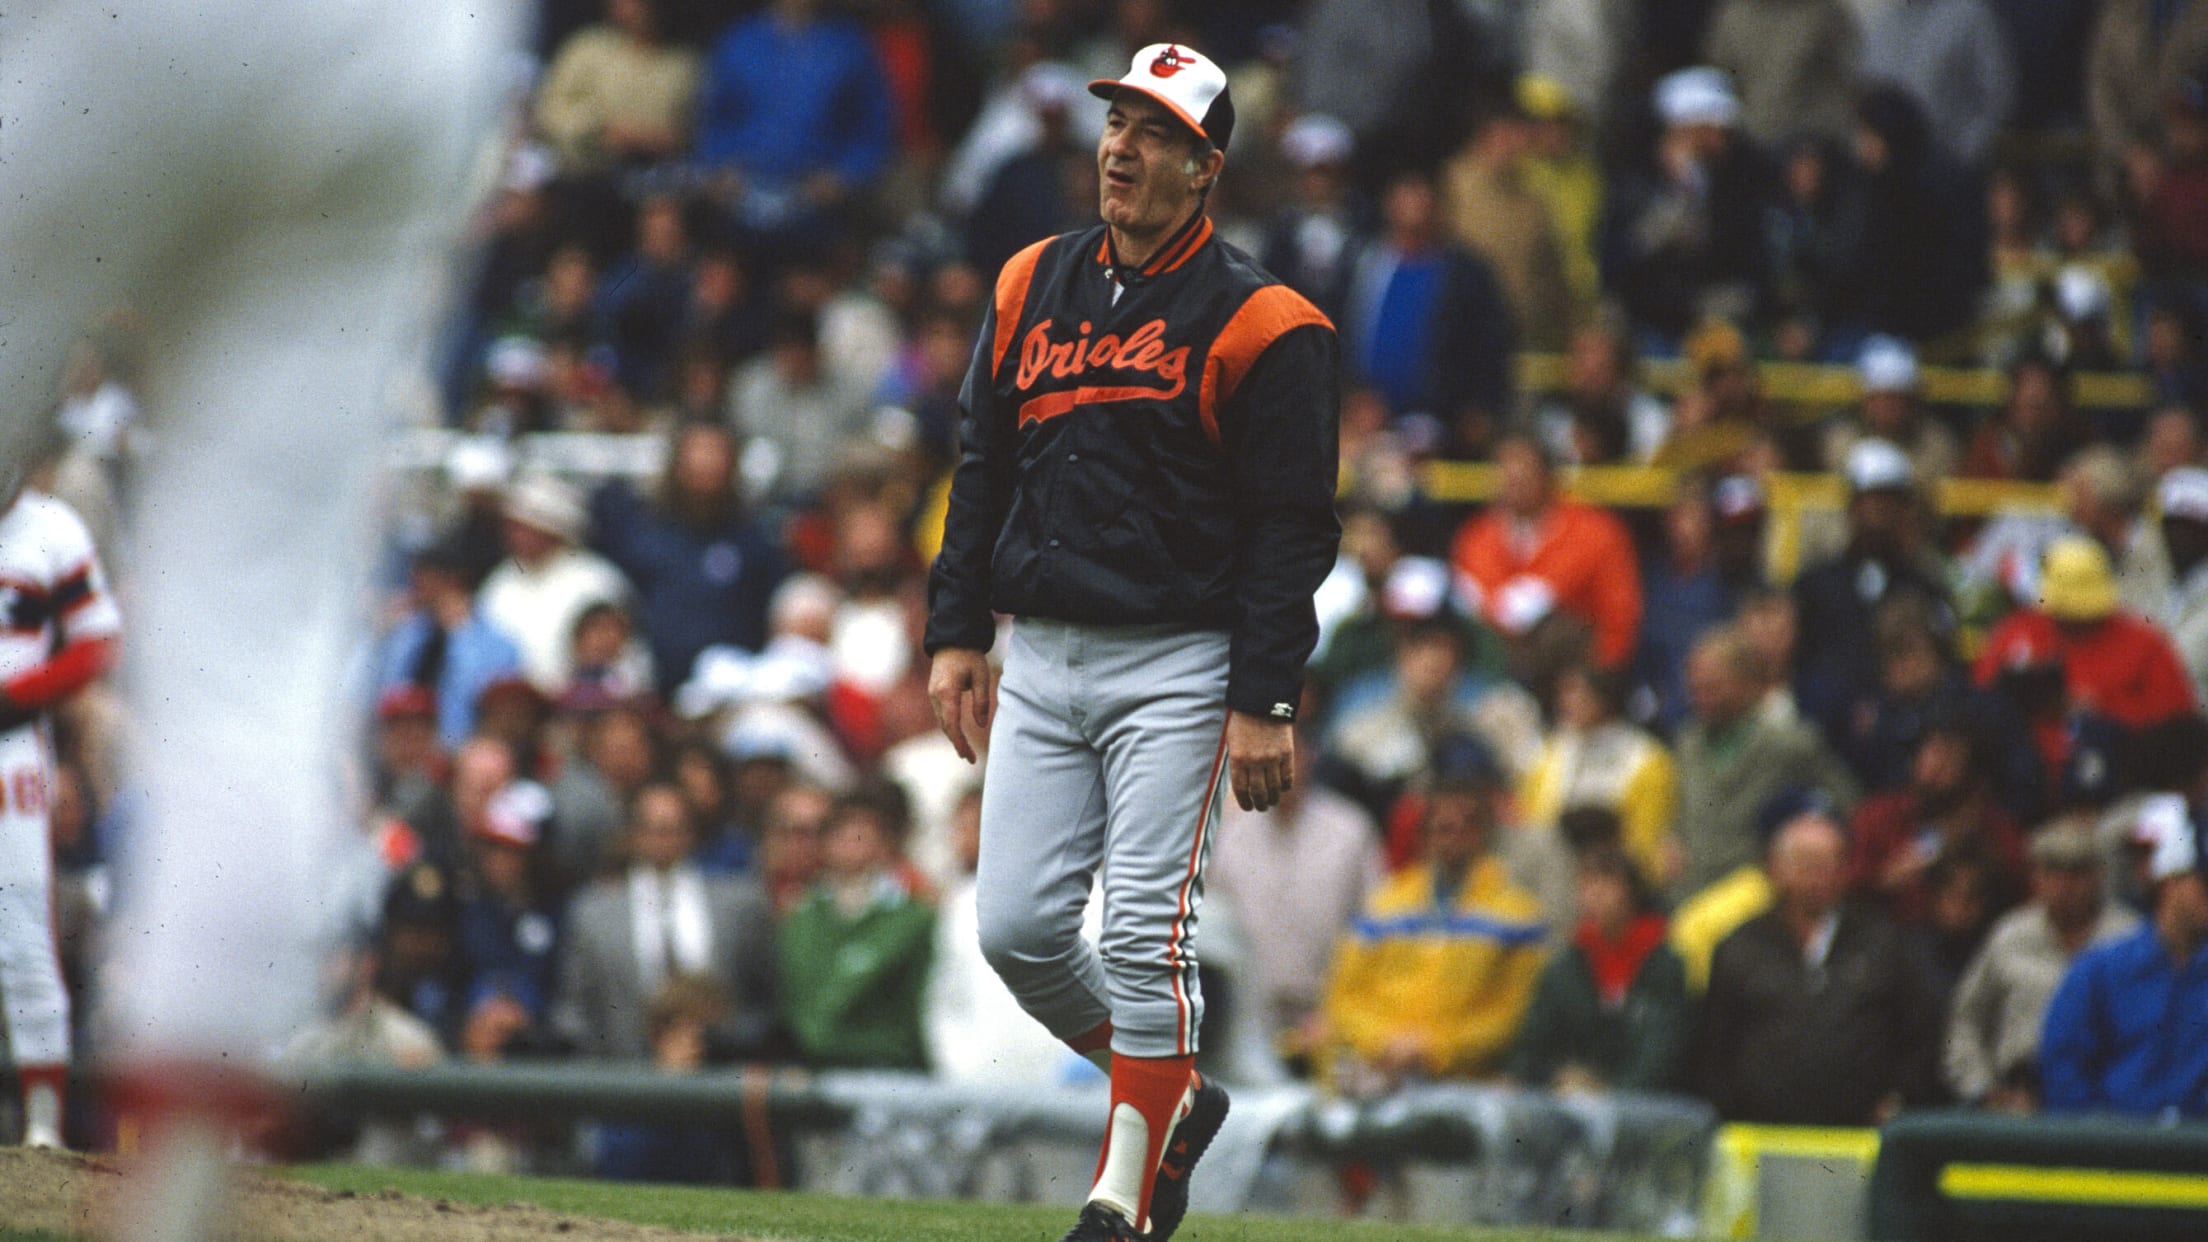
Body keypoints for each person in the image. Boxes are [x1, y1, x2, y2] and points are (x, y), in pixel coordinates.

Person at [923, 43, 1340, 1242]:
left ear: (1204, 170)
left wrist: (1265, 696)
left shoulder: (1270, 322)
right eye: (1117, 122)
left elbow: (1291, 528)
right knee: (1015, 931)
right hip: (1041, 651)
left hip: (1179, 658)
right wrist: (956, 631)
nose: (1121, 146)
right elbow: (981, 465)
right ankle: (1171, 1096)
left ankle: (1121, 1197)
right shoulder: (1027, 282)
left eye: (1155, 133)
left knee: (1144, 930)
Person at [0, 479, 121, 1147]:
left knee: (21, 932)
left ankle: (43, 1128)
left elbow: (96, 642)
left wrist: (17, 698)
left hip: (10, 746)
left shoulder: (50, 527)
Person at [1697, 806, 1939, 1123]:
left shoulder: (1883, 942)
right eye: (1807, 864)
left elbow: (1919, 1033)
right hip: (1758, 1137)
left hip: (1859, 1137)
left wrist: (1900, 1097)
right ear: (1776, 869)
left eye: (1831, 864)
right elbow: (1713, 1049)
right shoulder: (1739, 947)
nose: (1820, 876)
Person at [1321, 772, 1548, 1087]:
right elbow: (1345, 999)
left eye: (1465, 825)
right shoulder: (1384, 906)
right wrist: (1382, 1041)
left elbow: (1513, 1013)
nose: (1452, 834)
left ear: (1484, 832)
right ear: (1425, 833)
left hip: (1469, 1083)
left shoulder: (1518, 916)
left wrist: (1437, 1049)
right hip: (1380, 1074)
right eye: (1442, 826)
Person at [551, 785, 778, 1062]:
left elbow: (763, 1001)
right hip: (625, 1076)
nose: (662, 839)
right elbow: (576, 1011)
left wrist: (717, 1039)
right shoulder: (593, 914)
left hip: (720, 1073)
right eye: (651, 828)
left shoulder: (739, 904)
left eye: (671, 828)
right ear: (633, 835)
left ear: (690, 834)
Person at [1210, 725, 1385, 1065]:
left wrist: (1345, 1014)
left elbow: (1376, 929)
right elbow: (1213, 935)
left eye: (1289, 755)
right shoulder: (1229, 833)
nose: (1276, 765)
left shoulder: (1352, 830)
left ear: (1308, 757)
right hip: (1247, 1024)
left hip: (1334, 1021)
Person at [1944, 818, 2138, 1110]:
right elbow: (1966, 1021)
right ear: (2035, 877)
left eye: (2076, 872)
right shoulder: (2010, 935)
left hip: (2107, 1101)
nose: (2064, 885)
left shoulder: (2130, 938)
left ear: (2099, 875)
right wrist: (1983, 1089)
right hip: (2017, 1095)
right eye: (2052, 871)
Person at [591, 421, 788, 695]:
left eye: (715, 455)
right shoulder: (645, 534)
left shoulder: (753, 541)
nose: (705, 465)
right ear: (677, 464)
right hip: (653, 691)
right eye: (697, 454)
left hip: (731, 692)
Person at [2041, 795, 2208, 1115]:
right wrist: (2096, 1134)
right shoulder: (2101, 970)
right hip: (2112, 1151)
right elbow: (2064, 1066)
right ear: (2172, 880)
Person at [1674, 626, 1860, 897]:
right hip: (1690, 888)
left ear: (1748, 683)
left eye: (1713, 687)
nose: (1701, 698)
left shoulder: (1790, 743)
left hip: (1756, 892)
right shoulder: (1686, 743)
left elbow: (1848, 803)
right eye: (1695, 688)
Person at [777, 783, 936, 1070]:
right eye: (842, 836)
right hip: (814, 1068)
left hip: (887, 1069)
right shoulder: (802, 914)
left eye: (862, 837)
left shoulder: (913, 918)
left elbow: (914, 1010)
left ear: (884, 845)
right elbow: (799, 1002)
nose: (851, 846)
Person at [1510, 843, 1691, 1092]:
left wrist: (1612, 1094)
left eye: (1607, 883)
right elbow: (1535, 1042)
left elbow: (1663, 1048)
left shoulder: (1663, 965)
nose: (1596, 894)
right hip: (1569, 1097)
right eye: (1587, 884)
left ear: (1632, 891)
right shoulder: (1565, 967)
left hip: (1644, 1103)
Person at [1451, 435, 1642, 670]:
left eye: (1524, 473)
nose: (1514, 480)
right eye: (1505, 472)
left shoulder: (1596, 531)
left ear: (1546, 476)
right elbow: (1483, 604)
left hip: (1579, 670)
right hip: (1497, 670)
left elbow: (1620, 613)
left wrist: (1603, 675)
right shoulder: (1477, 536)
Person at [477, 473, 633, 696]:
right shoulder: (499, 582)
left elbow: (624, 663)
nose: (518, 536)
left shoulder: (597, 580)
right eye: (514, 526)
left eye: (529, 527)